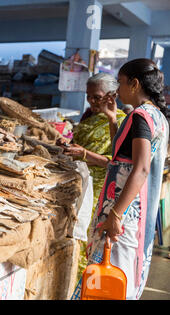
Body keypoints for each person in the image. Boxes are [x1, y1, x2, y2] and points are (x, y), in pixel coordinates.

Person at [72, 58, 169, 300]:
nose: (118, 89)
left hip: (124, 212)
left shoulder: (140, 116)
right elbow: (120, 156)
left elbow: (142, 168)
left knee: (111, 275)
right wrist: (112, 118)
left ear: (135, 84)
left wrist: (116, 215)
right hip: (131, 209)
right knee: (117, 275)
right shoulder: (155, 116)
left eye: (121, 82)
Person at [59, 73, 127, 277]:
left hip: (99, 190)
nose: (91, 101)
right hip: (77, 183)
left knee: (87, 238)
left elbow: (115, 162)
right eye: (89, 96)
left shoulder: (121, 122)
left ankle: (83, 283)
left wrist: (85, 154)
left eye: (96, 97)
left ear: (111, 95)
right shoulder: (89, 116)